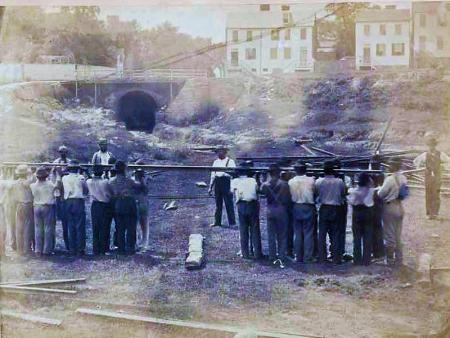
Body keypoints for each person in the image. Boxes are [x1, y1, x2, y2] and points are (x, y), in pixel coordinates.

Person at [109, 161, 144, 255]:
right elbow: (139, 187)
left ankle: (121, 248)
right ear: (124, 169)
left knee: (120, 228)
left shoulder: (111, 181)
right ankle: (130, 248)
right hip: (129, 204)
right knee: (131, 227)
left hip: (118, 204)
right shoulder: (129, 180)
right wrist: (140, 177)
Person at [260, 164, 292, 268]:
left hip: (270, 209)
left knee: (271, 234)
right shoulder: (285, 184)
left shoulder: (265, 184)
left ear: (269, 173)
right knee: (282, 234)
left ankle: (272, 255)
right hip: (281, 209)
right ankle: (282, 255)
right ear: (279, 173)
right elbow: (288, 198)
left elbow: (261, 191)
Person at [378, 158, 408, 266]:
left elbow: (381, 194)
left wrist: (379, 188)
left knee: (389, 234)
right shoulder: (404, 178)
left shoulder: (390, 179)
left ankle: (390, 260)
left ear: (392, 166)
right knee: (398, 235)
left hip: (390, 207)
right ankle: (399, 259)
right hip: (400, 206)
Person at [315, 161, 346, 264]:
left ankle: (322, 257)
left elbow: (316, 193)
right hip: (336, 208)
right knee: (335, 234)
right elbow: (343, 194)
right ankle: (336, 258)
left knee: (322, 234)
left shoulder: (319, 181)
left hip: (324, 207)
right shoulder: (339, 182)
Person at [413, 134, 450, 220]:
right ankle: (429, 213)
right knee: (428, 194)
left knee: (436, 195)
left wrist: (442, 167)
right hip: (428, 176)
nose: (431, 147)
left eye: (433, 145)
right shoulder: (425, 154)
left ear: (435, 145)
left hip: (437, 177)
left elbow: (448, 161)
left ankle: (435, 213)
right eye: (430, 145)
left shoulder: (440, 154)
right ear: (428, 145)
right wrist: (421, 168)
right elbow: (416, 161)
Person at [230, 161, 262, 260]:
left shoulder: (235, 181)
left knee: (243, 229)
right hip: (252, 204)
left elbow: (231, 192)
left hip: (241, 205)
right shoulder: (253, 181)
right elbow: (257, 190)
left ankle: (245, 253)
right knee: (255, 229)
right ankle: (257, 253)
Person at [288, 161, 316, 263]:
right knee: (308, 232)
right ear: (305, 169)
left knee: (298, 232)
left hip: (296, 206)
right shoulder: (311, 180)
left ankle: (298, 256)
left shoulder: (291, 181)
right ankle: (308, 256)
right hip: (308, 206)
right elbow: (315, 192)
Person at [347, 173, 375, 266]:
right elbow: (373, 186)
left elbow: (351, 202)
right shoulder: (371, 191)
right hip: (368, 212)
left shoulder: (354, 191)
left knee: (357, 237)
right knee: (368, 236)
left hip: (357, 212)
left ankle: (357, 259)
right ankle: (367, 260)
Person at [30, 167, 58, 256]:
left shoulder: (32, 185)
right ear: (46, 176)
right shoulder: (50, 185)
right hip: (47, 206)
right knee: (48, 228)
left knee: (38, 228)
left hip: (37, 206)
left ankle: (38, 250)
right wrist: (58, 175)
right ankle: (47, 250)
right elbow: (58, 186)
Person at [62, 160, 88, 256]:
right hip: (78, 201)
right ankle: (80, 248)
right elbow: (86, 190)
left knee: (70, 225)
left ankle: (72, 248)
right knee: (80, 226)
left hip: (68, 201)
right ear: (77, 169)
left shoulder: (64, 178)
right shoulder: (81, 178)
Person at [87, 165, 113, 255]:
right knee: (104, 227)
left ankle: (96, 249)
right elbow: (109, 194)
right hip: (104, 205)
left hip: (94, 205)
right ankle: (103, 248)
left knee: (95, 227)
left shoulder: (89, 181)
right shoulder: (105, 182)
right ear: (102, 172)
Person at [208, 146, 236, 228]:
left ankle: (232, 223)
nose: (219, 153)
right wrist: (210, 187)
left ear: (225, 152)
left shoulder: (230, 161)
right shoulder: (215, 162)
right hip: (218, 183)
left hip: (226, 182)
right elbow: (213, 175)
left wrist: (232, 187)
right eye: (218, 152)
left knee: (229, 203)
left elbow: (233, 175)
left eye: (221, 151)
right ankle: (217, 222)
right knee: (218, 204)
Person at [11, 164, 34, 255]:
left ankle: (20, 248)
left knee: (19, 227)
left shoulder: (15, 183)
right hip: (27, 204)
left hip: (18, 205)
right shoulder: (28, 182)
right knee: (27, 227)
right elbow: (32, 180)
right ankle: (27, 248)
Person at [53, 145, 71, 251]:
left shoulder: (69, 161)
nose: (62, 153)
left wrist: (63, 172)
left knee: (67, 220)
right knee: (59, 218)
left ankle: (69, 243)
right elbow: (54, 176)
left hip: (67, 190)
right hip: (59, 192)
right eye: (61, 152)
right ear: (59, 152)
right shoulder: (56, 162)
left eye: (64, 152)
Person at [134, 167, 150, 251]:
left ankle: (144, 245)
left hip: (143, 204)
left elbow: (146, 191)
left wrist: (144, 181)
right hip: (138, 204)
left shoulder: (145, 180)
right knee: (136, 226)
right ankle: (138, 244)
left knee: (144, 226)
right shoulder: (133, 181)